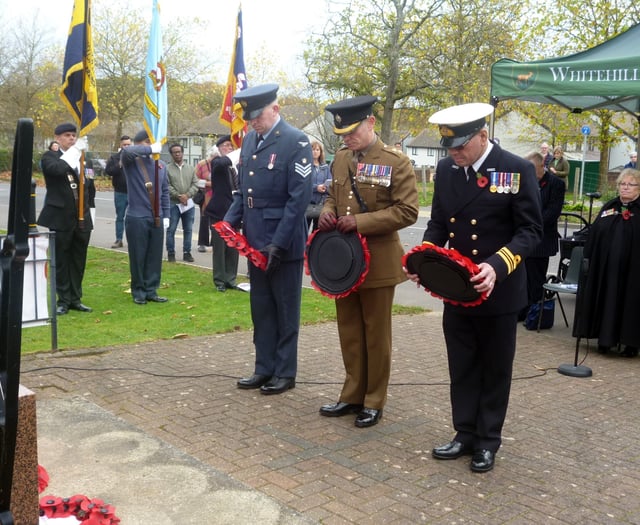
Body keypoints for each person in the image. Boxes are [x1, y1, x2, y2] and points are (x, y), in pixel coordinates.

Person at [406, 103, 542, 472]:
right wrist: (424, 261)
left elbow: (530, 231)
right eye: (449, 148)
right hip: (458, 288)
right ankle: (464, 433)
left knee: (495, 368)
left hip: (497, 286)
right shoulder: (449, 170)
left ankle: (487, 441)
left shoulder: (516, 169)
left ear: (483, 136)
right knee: (462, 364)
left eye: (461, 146)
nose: (454, 154)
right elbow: (437, 224)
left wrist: (498, 265)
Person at [318, 96, 419, 428]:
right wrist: (327, 212)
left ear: (371, 123)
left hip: (377, 262)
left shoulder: (395, 162)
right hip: (343, 262)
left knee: (376, 333)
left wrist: (361, 223)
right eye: (342, 134)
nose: (346, 139)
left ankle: (374, 399)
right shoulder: (342, 159)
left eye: (352, 132)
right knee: (349, 330)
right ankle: (351, 394)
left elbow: (407, 211)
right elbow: (334, 195)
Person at [224, 83, 312, 395]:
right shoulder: (249, 140)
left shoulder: (296, 142)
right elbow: (243, 192)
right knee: (261, 308)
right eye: (249, 118)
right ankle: (264, 368)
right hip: (255, 239)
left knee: (286, 309)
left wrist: (279, 241)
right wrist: (229, 224)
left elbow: (297, 199)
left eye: (258, 116)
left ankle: (285, 372)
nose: (253, 122)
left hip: (283, 243)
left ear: (275, 109)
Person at [574, 168, 640, 357]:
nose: (625, 188)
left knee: (630, 304)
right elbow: (595, 233)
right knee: (606, 300)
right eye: (622, 184)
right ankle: (605, 340)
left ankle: (630, 344)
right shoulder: (610, 207)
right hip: (607, 269)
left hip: (633, 272)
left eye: (631, 184)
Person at [38, 122, 94, 315]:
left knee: (78, 260)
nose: (72, 138)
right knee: (61, 260)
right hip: (61, 217)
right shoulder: (50, 157)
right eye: (67, 135)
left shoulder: (84, 158)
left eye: (73, 135)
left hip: (82, 218)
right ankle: (63, 300)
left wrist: (90, 211)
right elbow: (57, 171)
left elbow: (89, 186)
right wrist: (74, 152)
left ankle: (76, 299)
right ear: (57, 138)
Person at [120, 130, 171, 305]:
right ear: (140, 143)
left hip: (156, 217)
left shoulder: (161, 165)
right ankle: (139, 291)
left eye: (154, 143)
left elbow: (164, 192)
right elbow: (126, 151)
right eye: (148, 142)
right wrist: (149, 149)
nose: (152, 146)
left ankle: (151, 289)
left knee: (154, 256)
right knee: (138, 255)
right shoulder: (132, 162)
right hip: (137, 216)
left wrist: (166, 215)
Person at [521, 151, 565, 319]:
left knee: (536, 278)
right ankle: (522, 310)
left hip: (541, 240)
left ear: (542, 166)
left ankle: (535, 314)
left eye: (532, 169)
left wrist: (531, 223)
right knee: (523, 278)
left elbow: (552, 212)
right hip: (524, 238)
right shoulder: (526, 181)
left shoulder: (555, 184)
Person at [204, 135, 240, 292]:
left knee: (233, 248)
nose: (230, 148)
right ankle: (219, 280)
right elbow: (220, 163)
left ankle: (230, 278)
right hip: (219, 211)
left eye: (231, 146)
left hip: (235, 212)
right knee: (219, 248)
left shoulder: (235, 166)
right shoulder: (217, 162)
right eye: (226, 145)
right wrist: (237, 153)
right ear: (218, 148)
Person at [165, 143, 199, 262]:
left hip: (188, 204)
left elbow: (196, 184)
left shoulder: (190, 168)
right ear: (171, 154)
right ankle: (171, 253)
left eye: (179, 152)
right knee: (171, 229)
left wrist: (187, 195)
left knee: (188, 229)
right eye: (175, 152)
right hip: (173, 204)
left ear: (182, 153)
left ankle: (187, 252)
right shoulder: (167, 169)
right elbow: (166, 185)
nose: (177, 154)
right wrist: (178, 196)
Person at [105, 135, 132, 249]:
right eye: (124, 144)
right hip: (120, 192)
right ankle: (119, 239)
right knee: (120, 217)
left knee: (133, 218)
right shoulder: (115, 158)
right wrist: (119, 165)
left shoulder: (134, 157)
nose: (126, 146)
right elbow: (109, 171)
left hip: (133, 192)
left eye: (128, 144)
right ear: (120, 145)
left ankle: (133, 240)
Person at [195, 146, 217, 252]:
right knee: (204, 220)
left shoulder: (221, 164)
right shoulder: (202, 164)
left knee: (217, 221)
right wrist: (208, 183)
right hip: (205, 196)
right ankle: (202, 243)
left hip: (218, 196)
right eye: (214, 157)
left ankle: (215, 243)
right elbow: (194, 180)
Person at [306, 141, 331, 232]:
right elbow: (303, 183)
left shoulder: (325, 167)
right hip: (308, 203)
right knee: (305, 229)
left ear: (320, 152)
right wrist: (316, 188)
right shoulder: (305, 166)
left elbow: (330, 181)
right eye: (313, 149)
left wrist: (325, 187)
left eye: (317, 150)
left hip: (321, 204)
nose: (315, 152)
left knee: (317, 231)